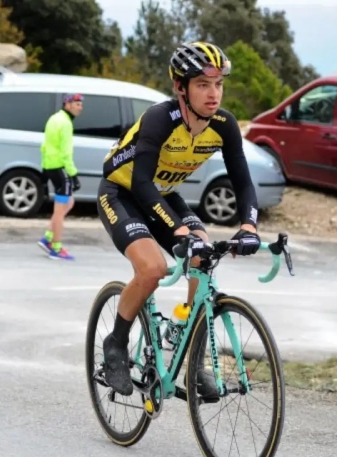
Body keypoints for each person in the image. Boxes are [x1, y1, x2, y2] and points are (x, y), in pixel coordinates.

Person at [97, 42, 261, 396]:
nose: (213, 93)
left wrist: (249, 225)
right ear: (180, 87)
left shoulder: (223, 125)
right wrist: (177, 227)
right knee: (153, 269)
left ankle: (191, 353)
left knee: (202, 256)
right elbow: (140, 182)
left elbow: (244, 182)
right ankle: (116, 344)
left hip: (162, 193)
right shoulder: (160, 118)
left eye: (218, 84)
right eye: (203, 84)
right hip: (122, 192)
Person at [37, 93, 83, 261]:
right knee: (59, 209)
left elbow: (44, 145)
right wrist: (73, 174)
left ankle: (48, 237)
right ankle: (56, 247)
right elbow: (66, 152)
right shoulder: (65, 123)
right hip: (60, 168)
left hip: (50, 166)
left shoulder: (54, 118)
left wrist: (44, 168)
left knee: (68, 203)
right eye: (77, 104)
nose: (80, 107)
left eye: (81, 104)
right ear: (68, 104)